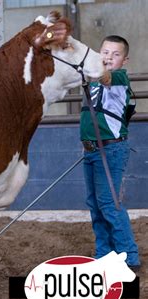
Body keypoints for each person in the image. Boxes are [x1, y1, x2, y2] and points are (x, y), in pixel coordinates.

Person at [80, 35, 140, 270]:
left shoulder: (117, 78)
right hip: (92, 150)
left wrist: (84, 61)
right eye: (105, 52)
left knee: (109, 203)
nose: (109, 58)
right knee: (95, 204)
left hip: (111, 150)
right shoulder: (93, 82)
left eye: (116, 55)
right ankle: (104, 254)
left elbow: (104, 75)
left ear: (125, 60)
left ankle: (129, 256)